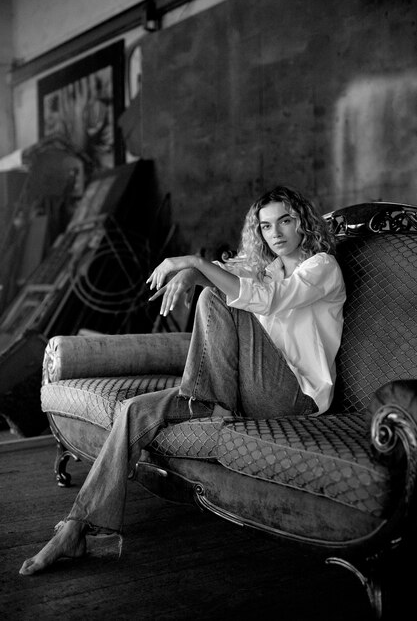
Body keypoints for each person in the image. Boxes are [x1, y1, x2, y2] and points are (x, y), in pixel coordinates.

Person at [19, 185, 346, 576]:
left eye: (286, 221)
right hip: (243, 389)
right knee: (132, 410)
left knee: (214, 295)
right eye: (265, 226)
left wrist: (192, 263)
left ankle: (207, 401)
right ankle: (76, 528)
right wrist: (193, 272)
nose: (275, 233)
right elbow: (234, 273)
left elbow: (268, 299)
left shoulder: (322, 267)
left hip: (294, 397)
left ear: (304, 223)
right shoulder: (268, 267)